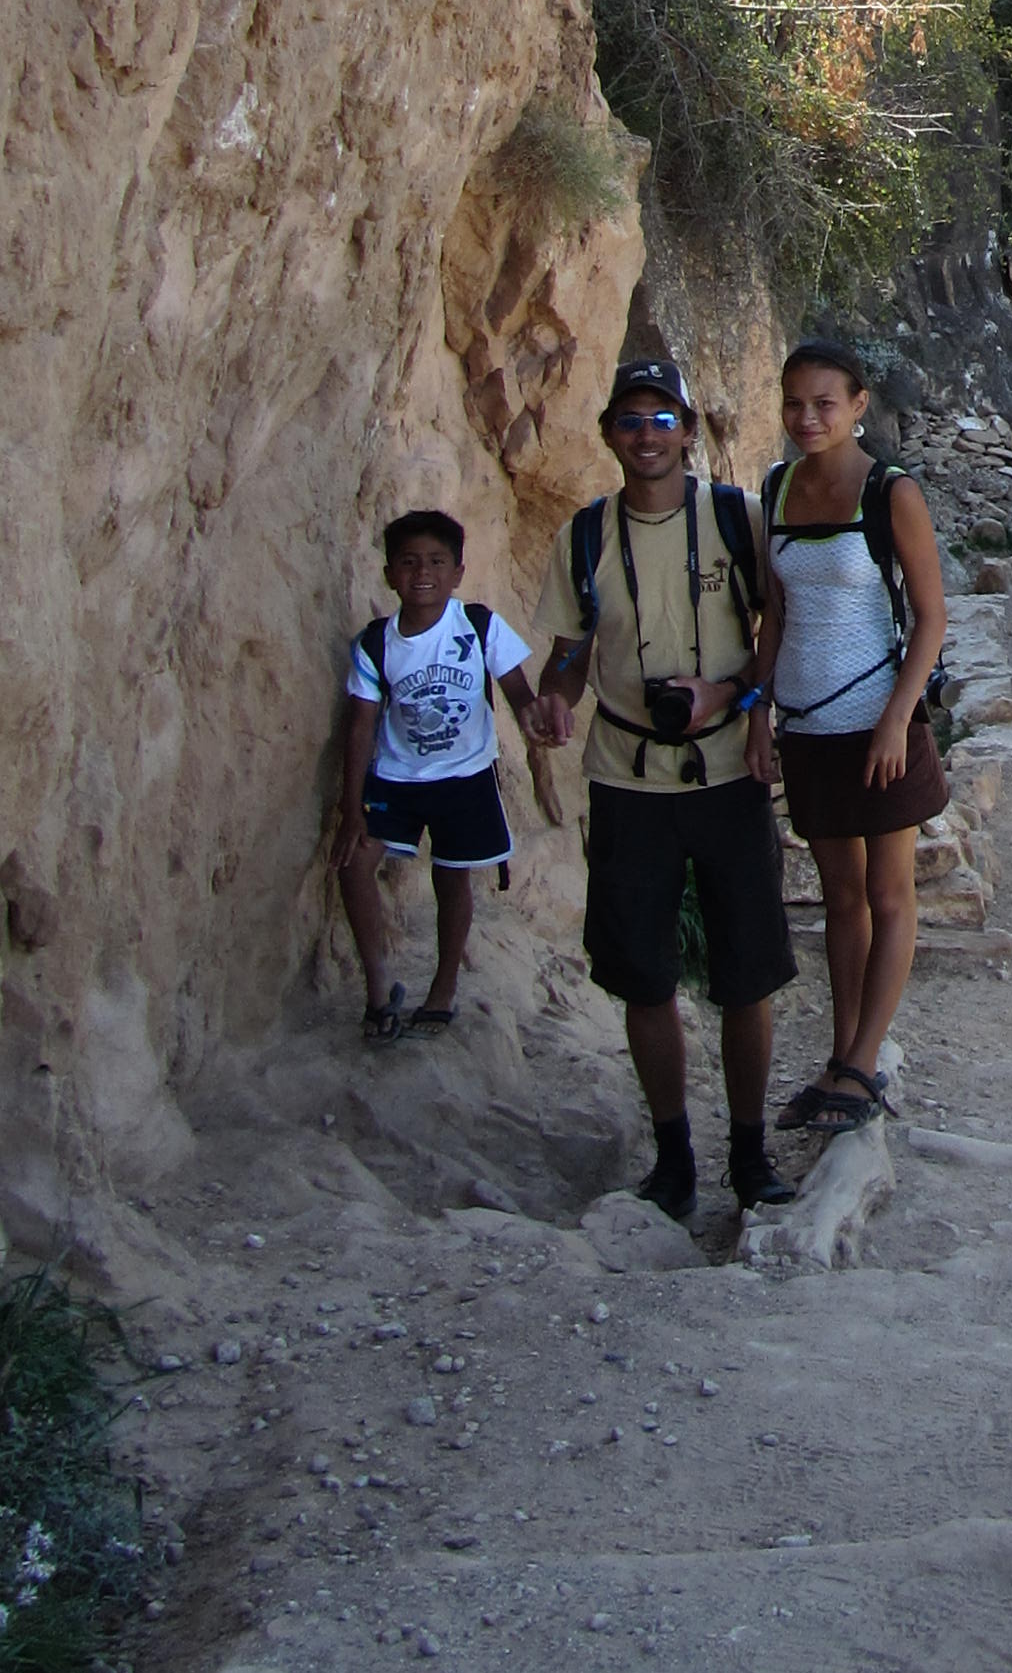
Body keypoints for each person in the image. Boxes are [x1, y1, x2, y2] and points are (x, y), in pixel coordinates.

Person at [526, 356, 797, 1220]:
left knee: (745, 974)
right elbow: (569, 652)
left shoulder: (734, 518)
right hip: (626, 776)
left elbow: (778, 623)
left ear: (688, 430)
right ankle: (673, 1156)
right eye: (630, 421)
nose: (647, 437)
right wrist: (555, 704)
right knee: (643, 976)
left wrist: (740, 701)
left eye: (662, 420)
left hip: (725, 770)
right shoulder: (582, 538)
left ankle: (748, 1156)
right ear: (607, 433)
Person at [751, 330, 949, 1141]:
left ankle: (864, 1059)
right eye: (795, 404)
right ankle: (841, 1056)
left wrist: (897, 719)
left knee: (890, 893)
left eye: (824, 403)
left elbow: (932, 616)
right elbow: (775, 614)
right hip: (805, 724)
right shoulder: (777, 488)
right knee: (839, 900)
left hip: (876, 724)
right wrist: (758, 713)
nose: (808, 417)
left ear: (859, 407)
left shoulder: (890, 491)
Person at [335, 510, 537, 1041]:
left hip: (464, 777)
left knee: (452, 877)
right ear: (388, 574)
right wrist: (349, 807)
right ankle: (379, 993)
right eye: (408, 562)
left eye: (436, 562)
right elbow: (359, 728)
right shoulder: (375, 645)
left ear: (457, 572)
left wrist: (537, 723)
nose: (421, 572)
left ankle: (443, 988)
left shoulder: (477, 625)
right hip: (396, 776)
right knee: (355, 865)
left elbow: (518, 691)